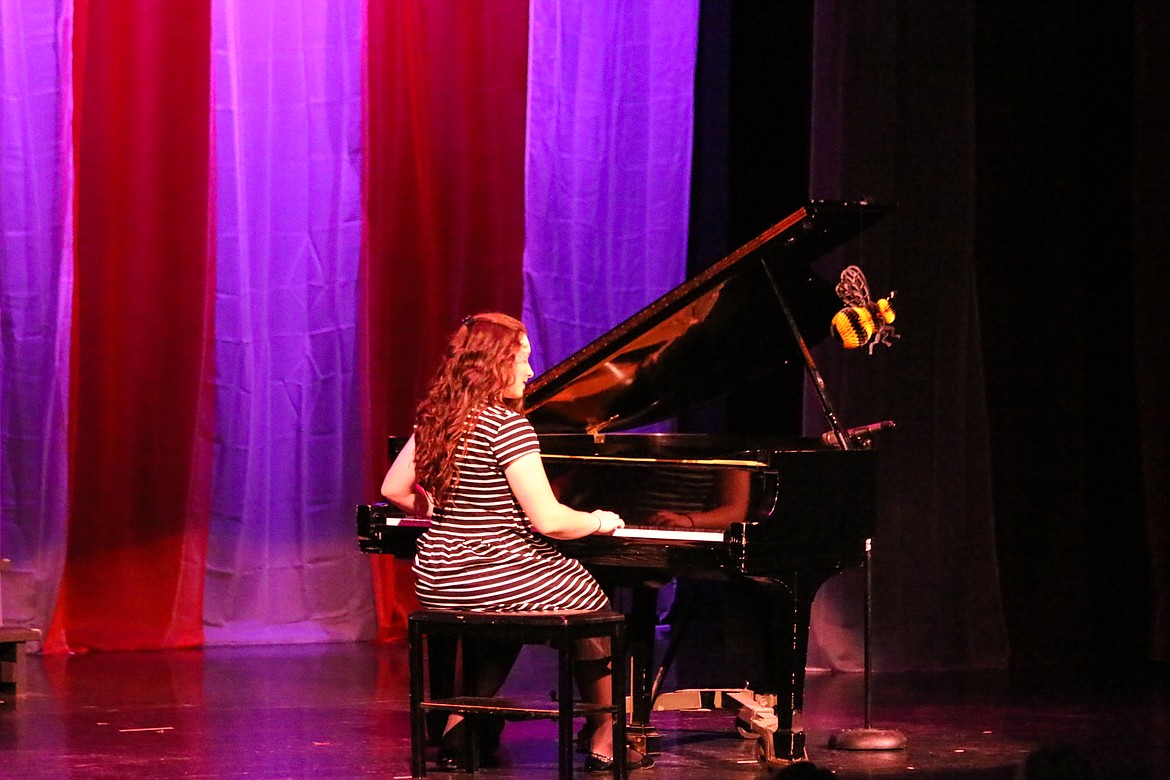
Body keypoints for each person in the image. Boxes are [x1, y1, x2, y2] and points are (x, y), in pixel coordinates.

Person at [381, 312, 653, 773]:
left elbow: (393, 489)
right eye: (521, 359)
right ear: (493, 364)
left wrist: (445, 516)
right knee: (592, 599)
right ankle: (608, 731)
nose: (530, 372)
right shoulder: (507, 427)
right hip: (498, 571)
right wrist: (599, 520)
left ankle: (459, 728)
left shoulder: (437, 420)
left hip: (439, 577)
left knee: (508, 606)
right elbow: (548, 520)